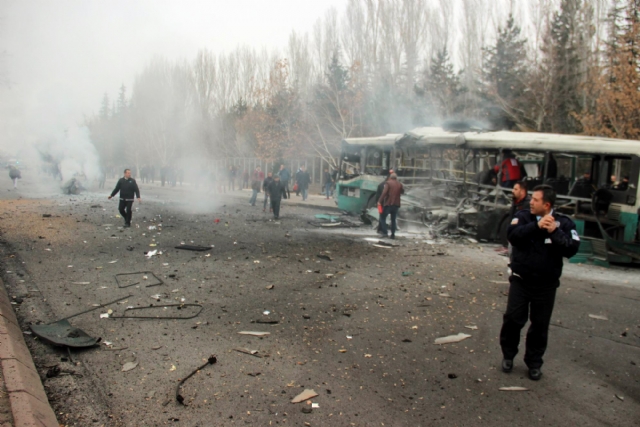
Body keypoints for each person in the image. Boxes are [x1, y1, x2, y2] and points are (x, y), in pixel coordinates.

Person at [500, 185, 580, 381]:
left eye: (535, 200)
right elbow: (512, 236)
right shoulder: (523, 217)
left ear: (547, 205)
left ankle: (534, 363)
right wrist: (536, 226)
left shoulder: (563, 223)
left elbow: (572, 249)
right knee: (512, 319)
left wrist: (554, 232)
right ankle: (508, 355)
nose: (531, 202)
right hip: (521, 281)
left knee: (539, 326)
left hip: (546, 285)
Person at [377, 173, 404, 239]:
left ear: (390, 178)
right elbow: (402, 192)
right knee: (393, 219)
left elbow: (384, 193)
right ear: (396, 178)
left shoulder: (388, 183)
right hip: (396, 205)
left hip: (389, 204)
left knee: (382, 218)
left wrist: (379, 201)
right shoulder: (399, 184)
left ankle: (385, 233)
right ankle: (393, 235)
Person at [375, 170, 393, 235]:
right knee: (383, 217)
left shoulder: (381, 185)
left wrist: (377, 203)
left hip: (380, 204)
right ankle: (382, 230)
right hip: (388, 204)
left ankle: (381, 229)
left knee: (381, 216)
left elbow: (377, 195)